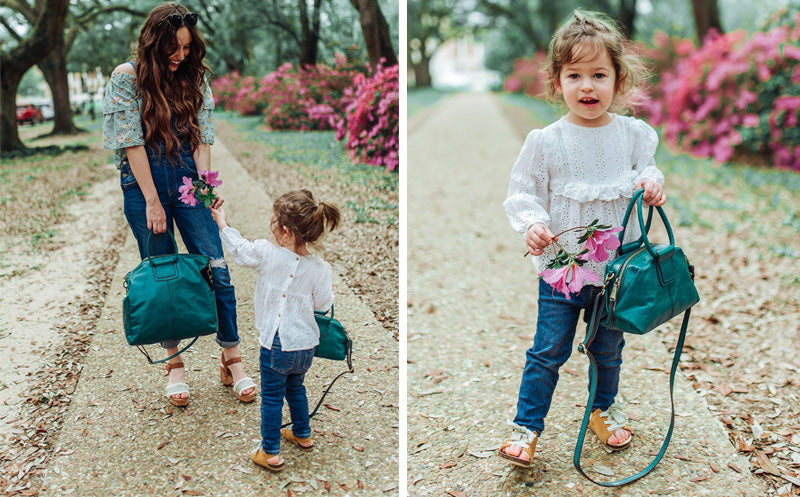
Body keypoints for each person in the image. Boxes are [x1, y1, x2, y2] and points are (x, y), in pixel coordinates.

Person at [499, 9, 667, 467]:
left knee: (607, 350)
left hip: (616, 273)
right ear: (557, 81)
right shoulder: (546, 141)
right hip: (562, 270)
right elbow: (522, 192)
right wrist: (532, 223)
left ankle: (602, 410)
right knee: (547, 350)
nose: (587, 86)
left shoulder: (632, 135)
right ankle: (527, 427)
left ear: (618, 79)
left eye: (599, 74)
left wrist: (651, 182)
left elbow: (646, 169)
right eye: (575, 75)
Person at [101, 3, 255, 407]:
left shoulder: (195, 77)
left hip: (186, 175)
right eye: (174, 47)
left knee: (216, 266)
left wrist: (205, 189)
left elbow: (202, 138)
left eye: (187, 48)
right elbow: (131, 143)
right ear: (154, 41)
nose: (181, 56)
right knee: (163, 274)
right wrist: (152, 200)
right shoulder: (126, 78)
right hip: (142, 182)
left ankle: (232, 359)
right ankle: (175, 366)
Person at [210, 190, 341, 472]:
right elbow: (323, 303)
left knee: (271, 398)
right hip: (305, 345)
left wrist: (223, 223)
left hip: (276, 343)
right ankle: (302, 434)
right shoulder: (320, 268)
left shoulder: (267, 254)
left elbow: (240, 251)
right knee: (296, 388)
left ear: (283, 230)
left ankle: (269, 451)